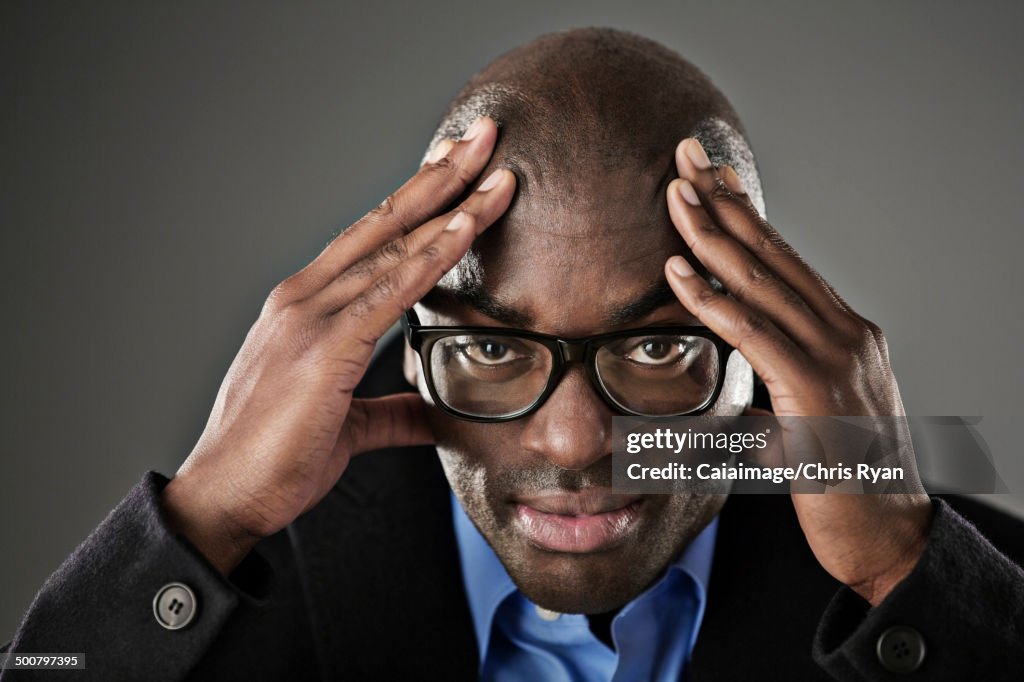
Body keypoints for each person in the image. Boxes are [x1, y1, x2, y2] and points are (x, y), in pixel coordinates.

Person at [3, 28, 1022, 682]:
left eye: (660, 344)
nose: (575, 441)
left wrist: (905, 570)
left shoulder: (952, 589)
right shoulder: (226, 587)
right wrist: (204, 517)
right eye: (491, 345)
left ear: (765, 347)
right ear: (410, 337)